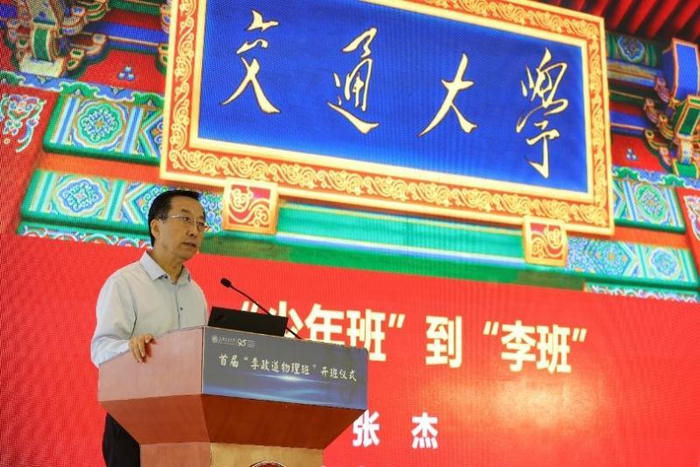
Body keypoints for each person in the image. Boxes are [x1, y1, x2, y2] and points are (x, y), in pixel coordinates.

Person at [90, 189, 210, 467]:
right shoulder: (125, 283)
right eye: (185, 219)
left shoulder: (196, 294)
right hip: (133, 420)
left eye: (201, 223)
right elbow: (100, 349)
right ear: (156, 227)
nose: (194, 231)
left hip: (183, 424)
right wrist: (130, 348)